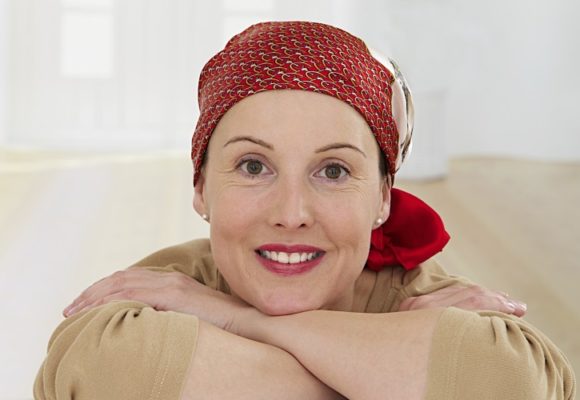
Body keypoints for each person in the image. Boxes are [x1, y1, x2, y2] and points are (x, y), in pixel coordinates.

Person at [34, 21, 575, 400]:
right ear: (200, 186)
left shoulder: (436, 298)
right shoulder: (135, 309)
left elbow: (513, 382)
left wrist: (240, 321)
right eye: (252, 166)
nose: (291, 213)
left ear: (382, 198)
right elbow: (111, 372)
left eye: (333, 171)